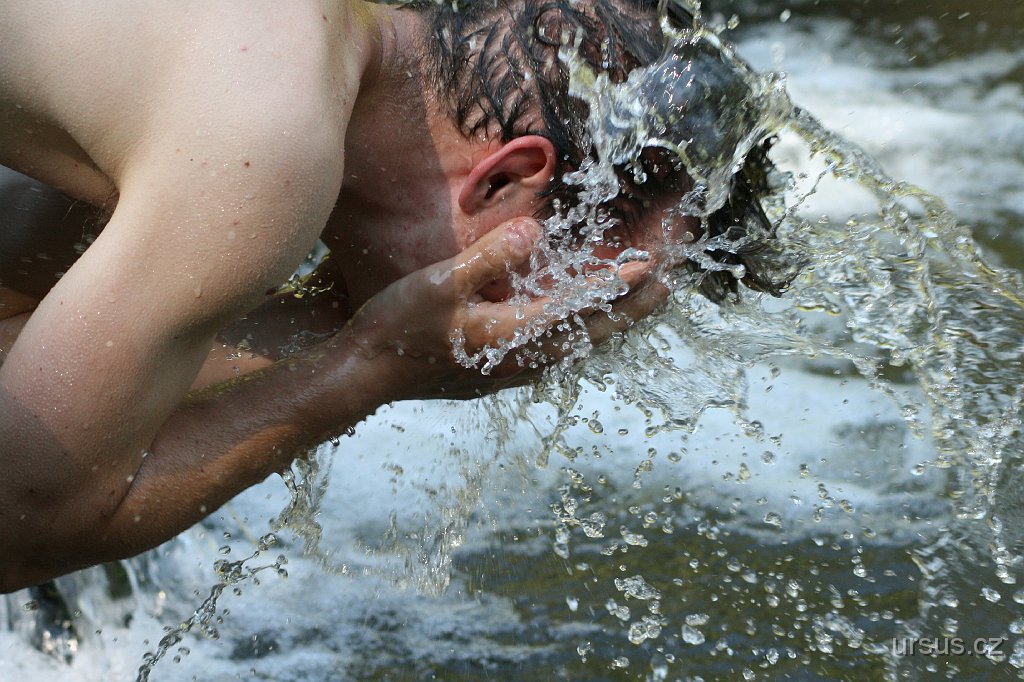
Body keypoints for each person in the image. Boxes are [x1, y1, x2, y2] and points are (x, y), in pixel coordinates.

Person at [0, 0, 781, 593]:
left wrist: (343, 325)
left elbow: (20, 347)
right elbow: (16, 524)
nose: (537, 327)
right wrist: (375, 366)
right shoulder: (268, 149)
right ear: (508, 176)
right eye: (573, 291)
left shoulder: (286, 68)